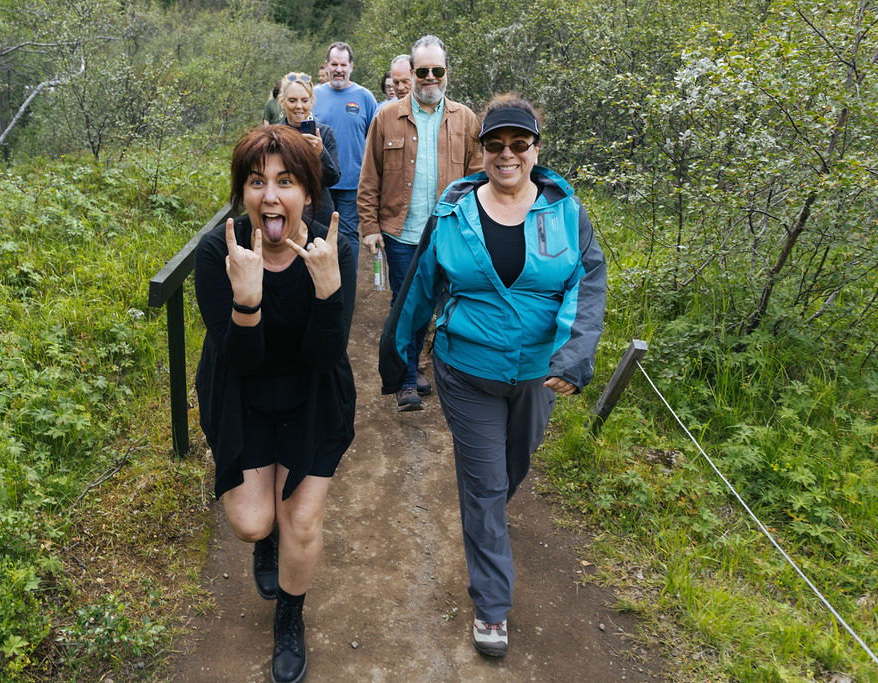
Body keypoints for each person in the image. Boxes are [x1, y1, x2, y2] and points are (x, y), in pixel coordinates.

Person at [379, 94, 607, 658]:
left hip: (538, 376)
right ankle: (492, 606)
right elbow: (422, 286)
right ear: (481, 150)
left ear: (535, 149)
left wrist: (575, 357)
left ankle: (488, 525)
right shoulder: (454, 212)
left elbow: (586, 286)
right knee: (484, 485)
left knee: (508, 473)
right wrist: (396, 353)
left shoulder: (566, 213)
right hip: (467, 370)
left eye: (518, 144)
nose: (507, 154)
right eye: (495, 144)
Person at [194, 125, 357, 683]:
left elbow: (324, 356)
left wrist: (329, 290)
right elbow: (241, 361)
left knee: (301, 521)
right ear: (241, 192)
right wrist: (246, 300)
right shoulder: (219, 251)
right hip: (242, 395)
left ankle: (290, 617)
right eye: (256, 181)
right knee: (252, 521)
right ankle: (264, 542)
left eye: (285, 181)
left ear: (308, 193)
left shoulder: (332, 251)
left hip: (312, 394)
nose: (270, 195)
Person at [359, 35, 481, 412]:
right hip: (401, 234)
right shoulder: (386, 117)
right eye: (423, 70)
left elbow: (479, 182)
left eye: (437, 71)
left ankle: (441, 374)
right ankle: (407, 380)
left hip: (450, 235)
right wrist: (370, 227)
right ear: (411, 72)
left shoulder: (466, 119)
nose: (430, 77)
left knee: (448, 307)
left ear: (447, 73)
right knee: (407, 306)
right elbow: (370, 177)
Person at [313, 41, 377, 268]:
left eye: (343, 64)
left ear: (351, 66)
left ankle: (347, 283)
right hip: (320, 182)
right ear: (326, 65)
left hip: (352, 183)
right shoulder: (313, 96)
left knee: (349, 236)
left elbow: (374, 138)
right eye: (334, 64)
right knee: (319, 234)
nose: (338, 69)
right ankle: (322, 282)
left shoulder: (365, 97)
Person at [278, 71, 341, 226]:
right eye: (292, 100)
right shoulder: (274, 135)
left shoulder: (325, 133)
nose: (299, 106)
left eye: (304, 100)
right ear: (282, 102)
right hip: (283, 209)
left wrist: (321, 153)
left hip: (318, 212)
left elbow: (332, 179)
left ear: (311, 102)